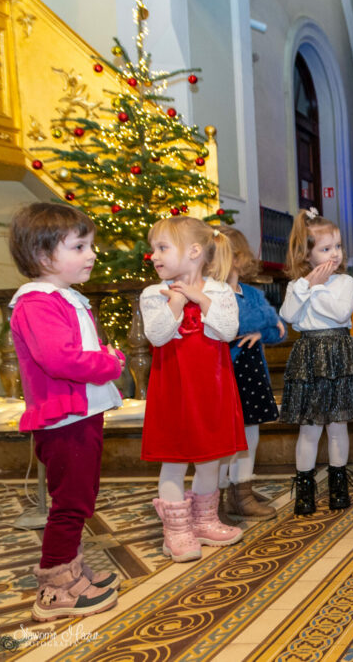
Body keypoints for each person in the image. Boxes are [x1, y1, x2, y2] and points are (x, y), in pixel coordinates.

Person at [8, 203, 122, 621]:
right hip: (64, 419)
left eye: (90, 245)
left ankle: (71, 570)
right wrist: (110, 363)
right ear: (43, 256)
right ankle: (55, 590)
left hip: (80, 414)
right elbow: (60, 359)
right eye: (79, 247)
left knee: (80, 496)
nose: (91, 254)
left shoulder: (62, 296)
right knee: (70, 502)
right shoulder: (37, 303)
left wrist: (102, 355)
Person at [141, 216, 246, 562]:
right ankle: (176, 531)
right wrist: (175, 302)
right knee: (173, 459)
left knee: (209, 459)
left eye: (162, 247)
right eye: (153, 249)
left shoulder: (218, 291)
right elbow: (157, 336)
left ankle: (204, 521)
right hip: (172, 390)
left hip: (211, 389)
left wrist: (201, 300)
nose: (154, 255)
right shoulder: (153, 294)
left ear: (194, 252)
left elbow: (227, 331)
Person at [279, 209, 353, 515]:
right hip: (308, 356)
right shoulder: (297, 285)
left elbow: (340, 313)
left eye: (338, 246)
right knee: (309, 429)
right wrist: (306, 285)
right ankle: (304, 490)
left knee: (337, 425)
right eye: (325, 248)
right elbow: (288, 315)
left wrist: (316, 287)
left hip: (339, 353)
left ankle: (338, 486)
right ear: (306, 255)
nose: (335, 253)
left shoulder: (345, 281)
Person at [215, 226, 285, 522]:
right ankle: (214, 498)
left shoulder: (252, 294)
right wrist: (263, 320)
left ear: (237, 258)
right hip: (223, 374)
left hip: (251, 374)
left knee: (250, 435)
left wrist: (261, 330)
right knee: (222, 438)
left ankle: (241, 494)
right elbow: (232, 325)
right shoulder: (211, 294)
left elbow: (278, 330)